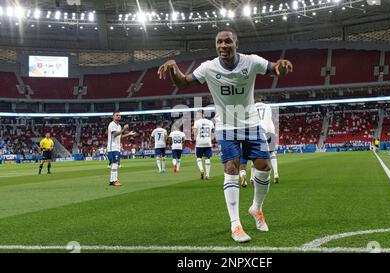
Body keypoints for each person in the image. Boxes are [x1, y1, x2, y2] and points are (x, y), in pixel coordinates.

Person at [158, 28, 293, 243]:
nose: (223, 46)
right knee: (231, 167)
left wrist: (282, 66)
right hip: (225, 126)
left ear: (236, 43)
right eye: (219, 42)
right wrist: (174, 69)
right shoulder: (209, 67)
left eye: (227, 41)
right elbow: (183, 83)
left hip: (250, 123)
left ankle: (256, 209)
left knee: (264, 166)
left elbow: (274, 69)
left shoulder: (250, 62)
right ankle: (236, 225)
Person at [107, 111, 137, 186]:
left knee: (115, 163)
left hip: (117, 147)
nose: (118, 116)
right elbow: (114, 135)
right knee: (115, 163)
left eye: (119, 115)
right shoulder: (112, 124)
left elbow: (120, 136)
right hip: (112, 147)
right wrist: (124, 129)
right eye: (117, 115)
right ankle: (114, 180)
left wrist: (129, 134)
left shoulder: (119, 126)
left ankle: (112, 180)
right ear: (113, 116)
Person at [193, 110, 215, 179]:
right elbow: (213, 131)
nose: (197, 116)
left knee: (199, 157)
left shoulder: (197, 122)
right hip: (208, 142)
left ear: (201, 114)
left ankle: (201, 170)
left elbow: (194, 132)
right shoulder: (210, 122)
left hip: (199, 142)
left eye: (197, 114)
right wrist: (210, 137)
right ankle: (207, 175)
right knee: (207, 158)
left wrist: (196, 137)